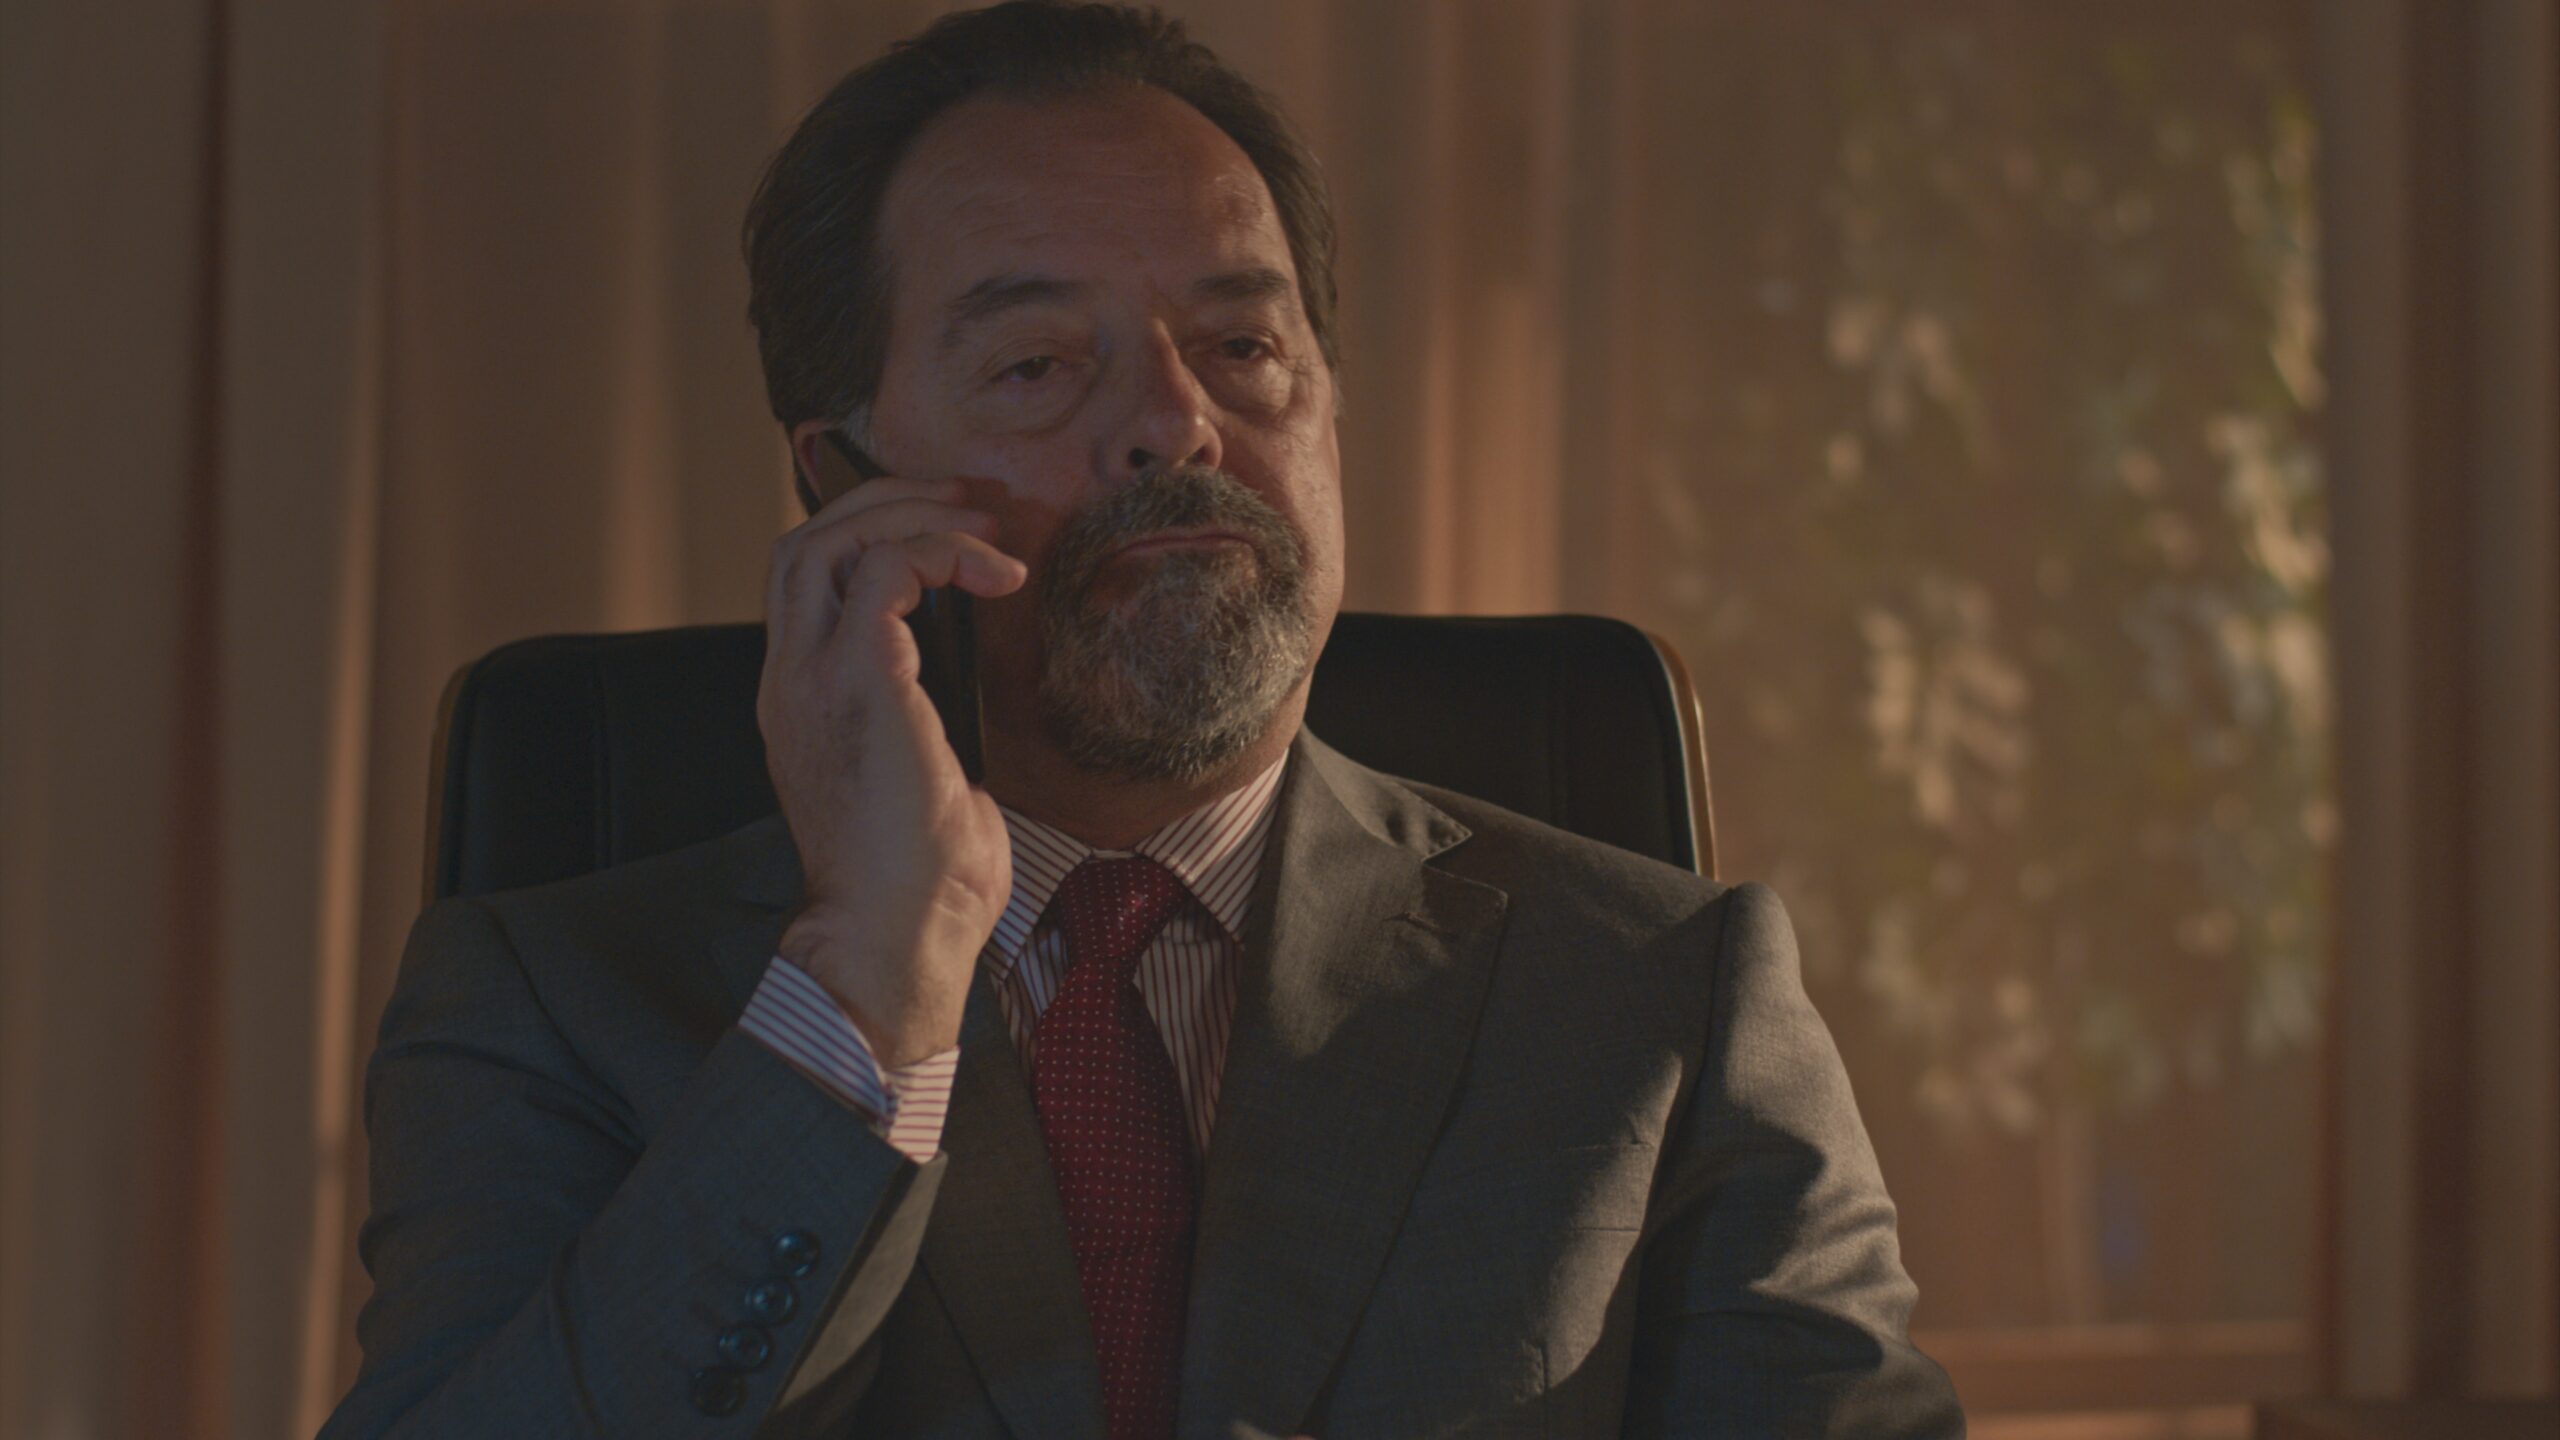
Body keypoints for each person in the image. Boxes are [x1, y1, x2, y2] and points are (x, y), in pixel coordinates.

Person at [319, 4, 1964, 1437]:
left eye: (1243, 343)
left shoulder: (1665, 993)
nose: (1177, 421)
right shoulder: (548, 1003)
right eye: (1039, 364)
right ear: (845, 485)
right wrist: (869, 985)